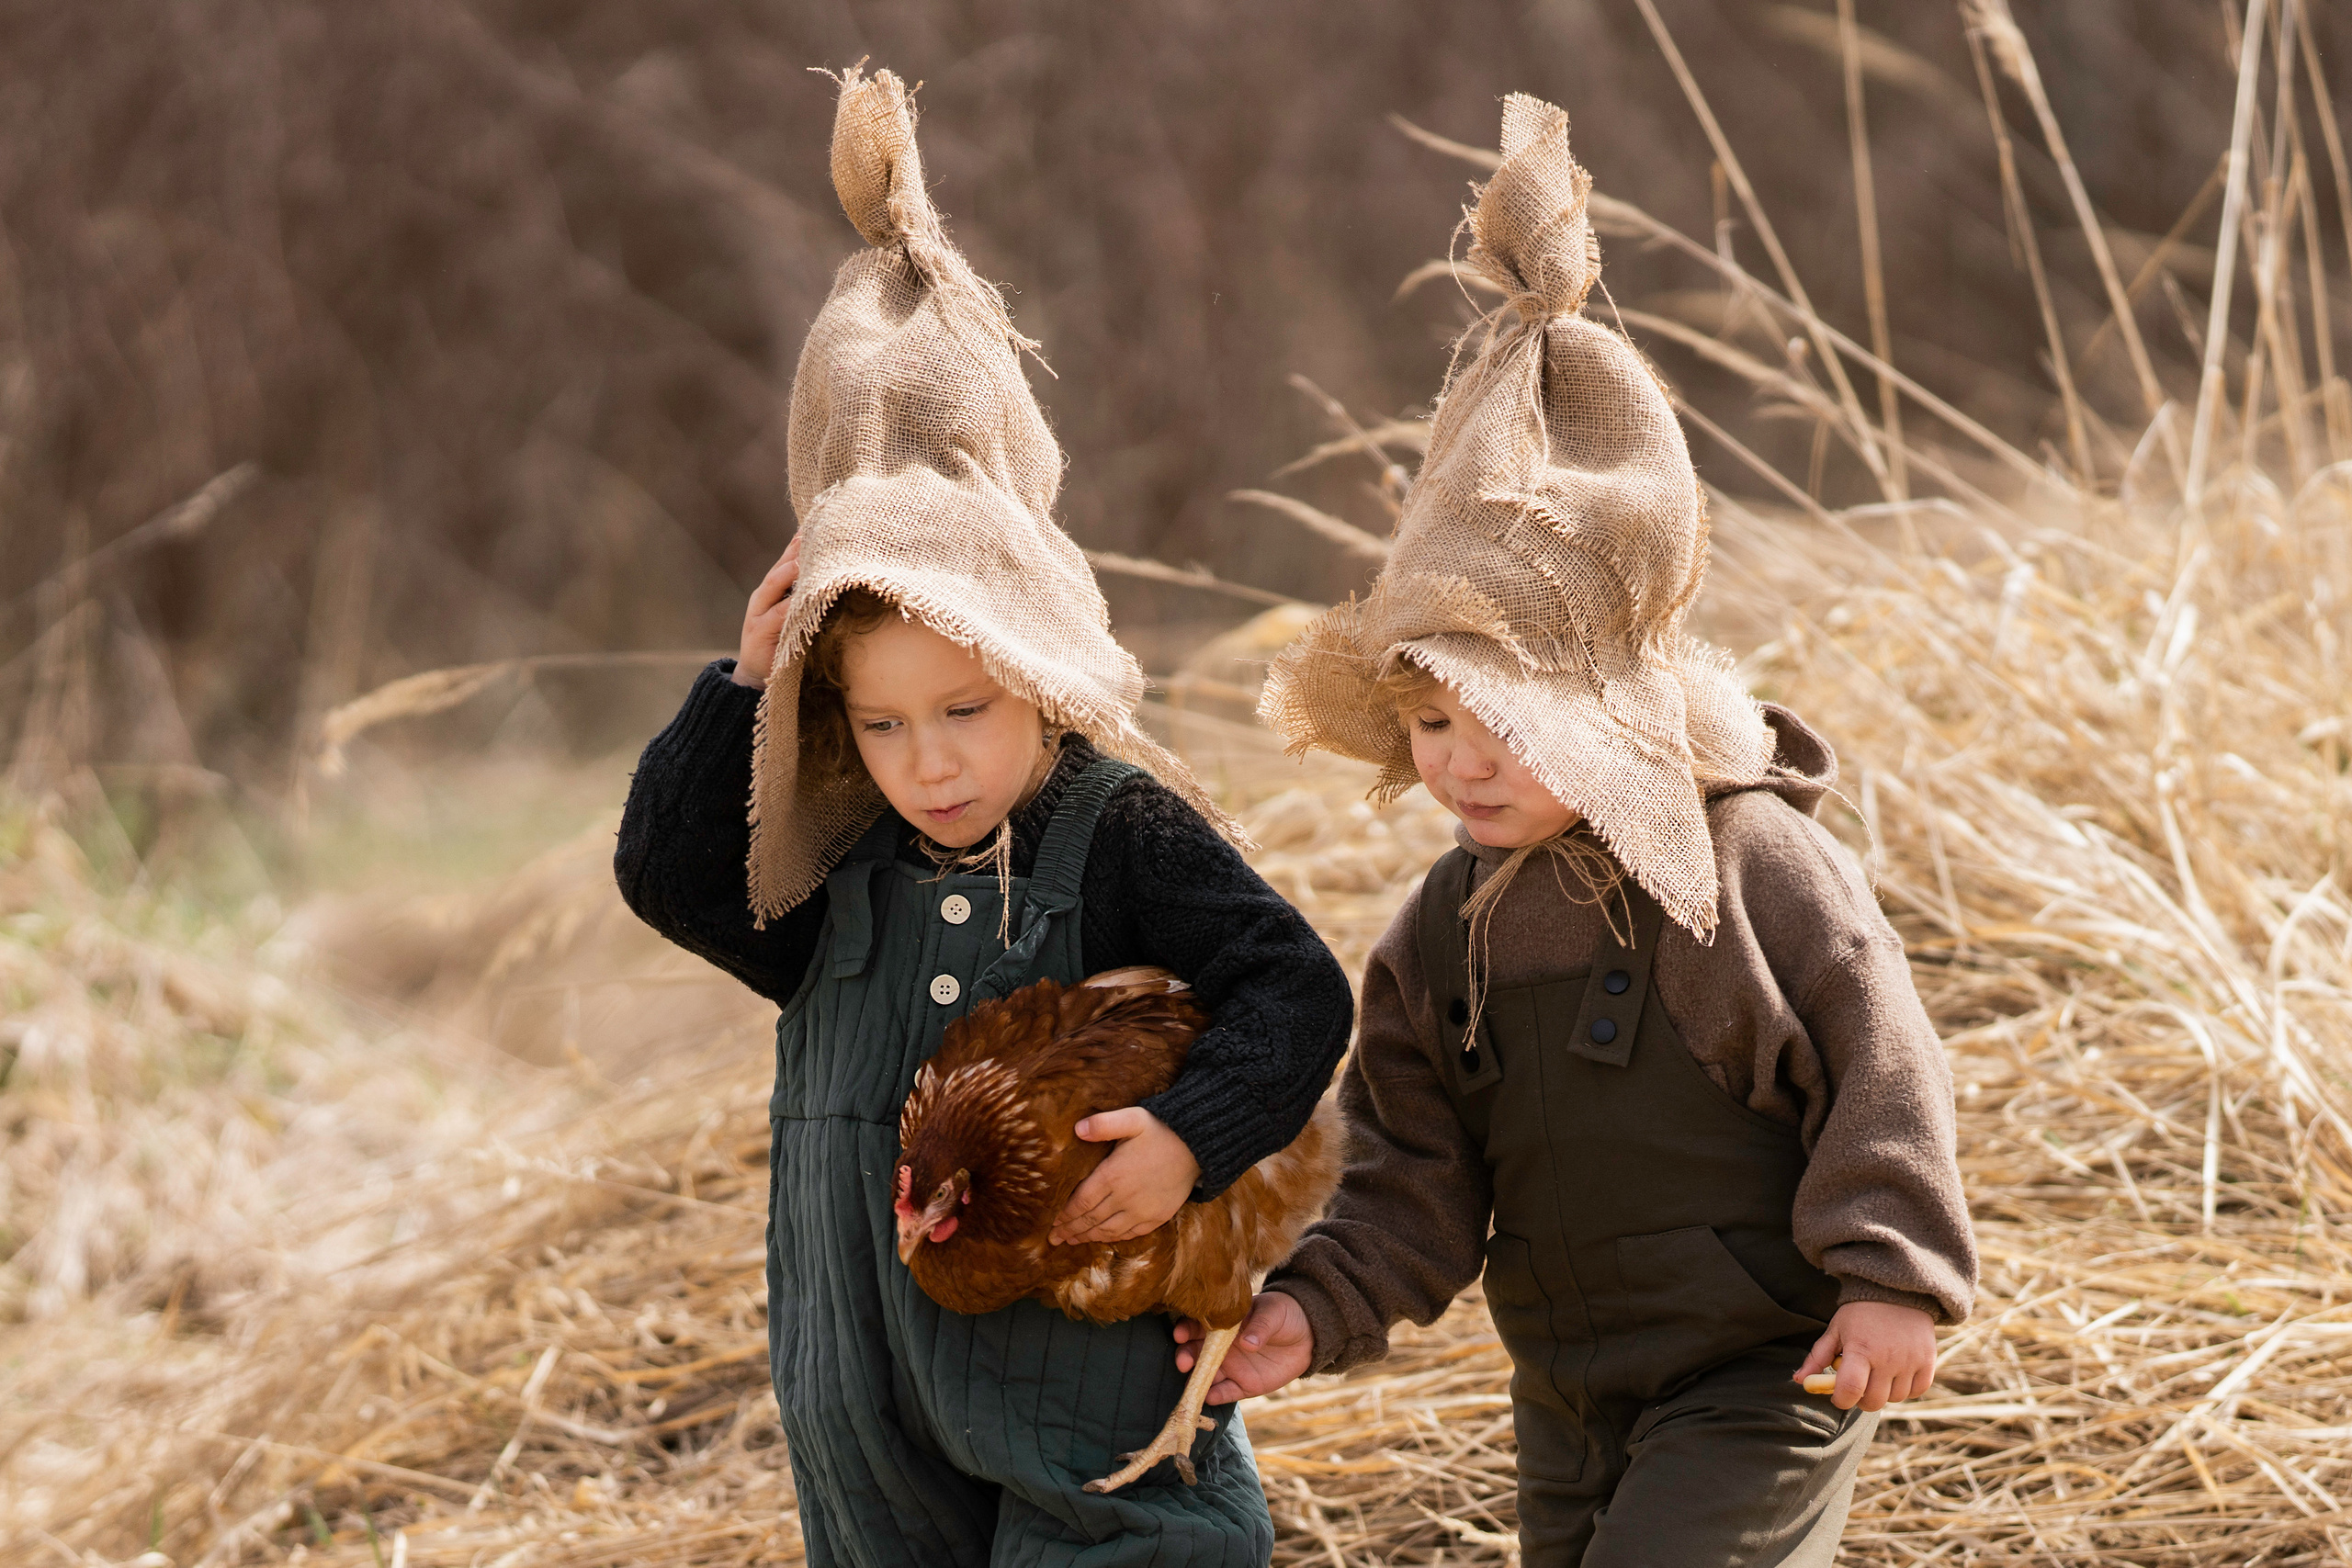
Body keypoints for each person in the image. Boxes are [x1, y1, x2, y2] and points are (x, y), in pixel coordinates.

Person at [1181, 94, 1977, 1565]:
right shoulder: (1442, 937)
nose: (1463, 770)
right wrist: (1312, 1304)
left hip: (1767, 1372)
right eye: (1432, 730)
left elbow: (1881, 1056)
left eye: (1510, 728)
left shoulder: (1747, 868)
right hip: (1569, 1391)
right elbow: (1414, 1178)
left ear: (1617, 708)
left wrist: (1893, 1276)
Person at [616, 66, 1351, 1568]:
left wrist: (1187, 1142)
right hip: (857, 1384)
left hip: (1083, 1378)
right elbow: (663, 877)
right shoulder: (828, 868)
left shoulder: (1120, 830)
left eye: (966, 712)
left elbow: (1297, 987)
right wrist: (742, 686)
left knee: (1140, 1549)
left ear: (1040, 681)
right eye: (879, 725)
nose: (929, 762)